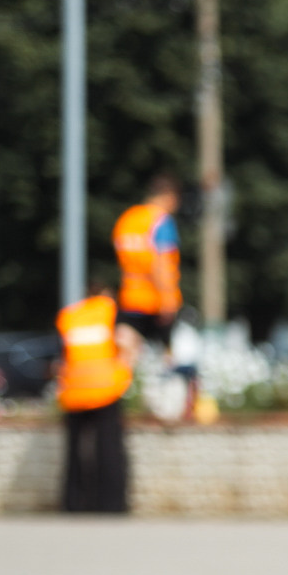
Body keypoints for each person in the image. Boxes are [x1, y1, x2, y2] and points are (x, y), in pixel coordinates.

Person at [55, 283, 139, 513]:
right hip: (105, 389)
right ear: (105, 295)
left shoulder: (70, 315)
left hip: (73, 391)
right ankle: (112, 505)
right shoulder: (111, 312)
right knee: (109, 450)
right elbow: (128, 343)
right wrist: (125, 374)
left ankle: (73, 504)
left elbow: (61, 356)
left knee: (75, 452)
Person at [112, 175, 184, 346]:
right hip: (155, 301)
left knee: (130, 354)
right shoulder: (161, 221)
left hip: (129, 298)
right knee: (166, 359)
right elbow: (161, 263)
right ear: (170, 196)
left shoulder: (127, 219)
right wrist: (167, 299)